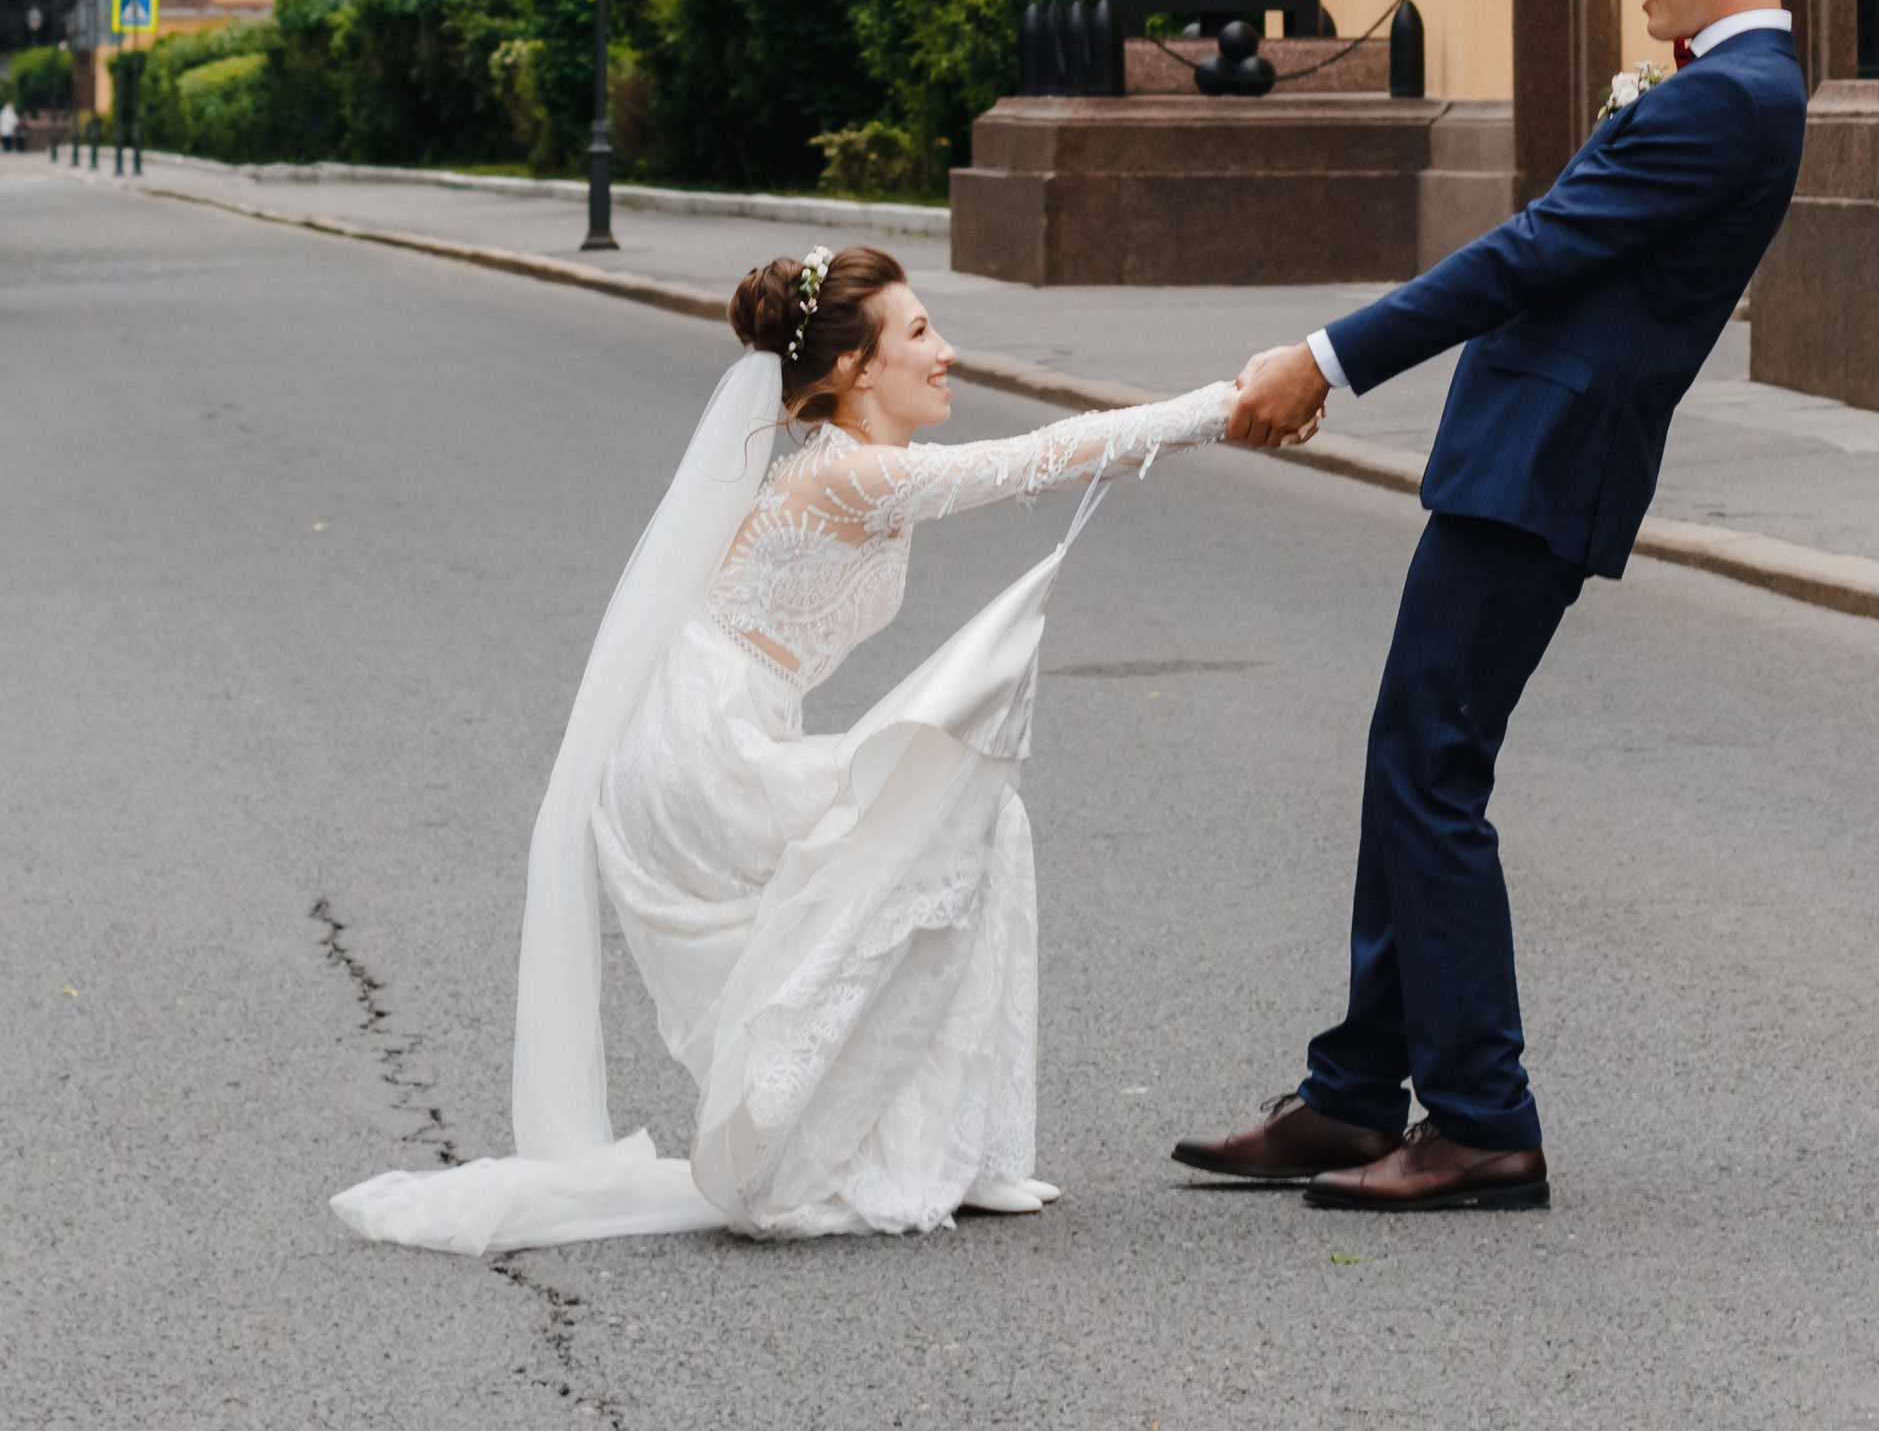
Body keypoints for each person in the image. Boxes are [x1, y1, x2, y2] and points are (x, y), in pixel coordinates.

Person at [334, 251, 1238, 1252]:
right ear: (855, 368)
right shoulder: (850, 473)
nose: (948, 352)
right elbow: (1038, 459)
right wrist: (1227, 404)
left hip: (714, 735)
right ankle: (893, 1152)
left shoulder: (846, 466)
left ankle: (936, 1145)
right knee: (943, 823)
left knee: (925, 844)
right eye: (921, 334)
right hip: (701, 754)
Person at [1178, 0, 1808, 1215]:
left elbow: (1533, 247)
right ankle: (1354, 1093)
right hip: (1525, 448)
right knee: (1414, 752)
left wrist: (1325, 358)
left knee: (1430, 766)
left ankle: (1479, 1119)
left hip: (1547, 459)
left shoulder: (1732, 98)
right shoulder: (1716, 88)